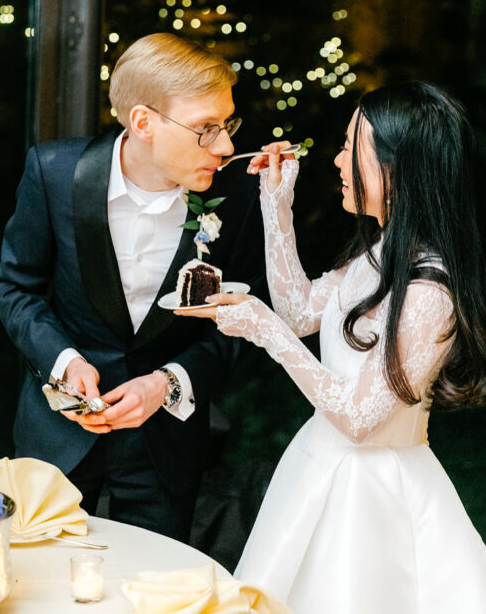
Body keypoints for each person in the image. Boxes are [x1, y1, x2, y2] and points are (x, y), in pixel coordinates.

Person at [181, 82, 486, 612]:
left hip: (371, 499)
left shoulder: (430, 290)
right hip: (316, 466)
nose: (338, 161)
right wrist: (276, 204)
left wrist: (265, 333)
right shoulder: (383, 250)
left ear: (399, 168)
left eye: (352, 148)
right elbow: (299, 312)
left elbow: (361, 417)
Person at [0, 33, 267, 542]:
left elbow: (246, 321)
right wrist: (65, 362)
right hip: (59, 436)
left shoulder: (241, 194)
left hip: (166, 447)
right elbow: (15, 288)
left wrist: (169, 382)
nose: (225, 146)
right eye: (207, 129)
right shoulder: (54, 173)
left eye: (227, 125)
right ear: (143, 123)